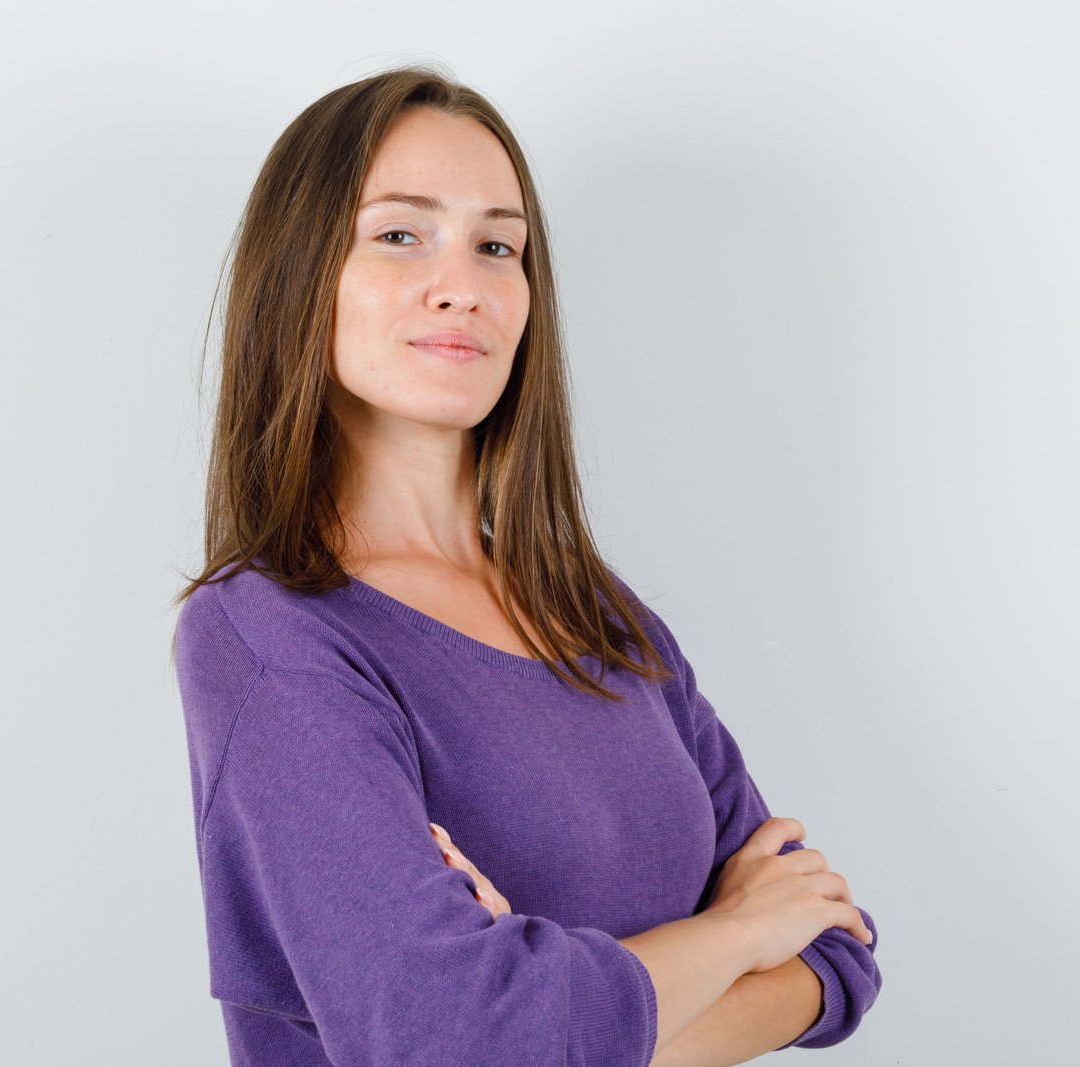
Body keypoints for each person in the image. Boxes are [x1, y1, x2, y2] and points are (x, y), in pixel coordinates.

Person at [170, 63, 882, 1066]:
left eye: (498, 245)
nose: (462, 283)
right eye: (400, 233)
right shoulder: (267, 636)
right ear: (300, 274)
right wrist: (731, 934)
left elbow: (834, 946)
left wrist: (565, 1014)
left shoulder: (597, 615)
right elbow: (460, 1036)